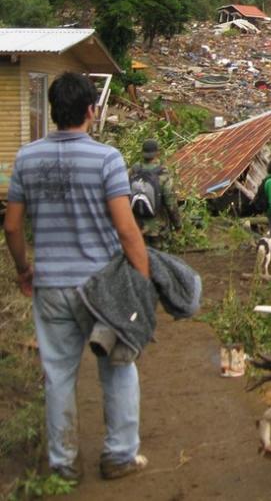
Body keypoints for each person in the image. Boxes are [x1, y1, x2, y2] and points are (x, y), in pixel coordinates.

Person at [3, 73, 150, 481]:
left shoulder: (27, 158)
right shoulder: (106, 158)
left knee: (58, 376)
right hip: (101, 287)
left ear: (53, 111)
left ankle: (64, 465)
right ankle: (119, 455)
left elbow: (13, 227)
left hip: (51, 285)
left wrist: (23, 269)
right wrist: (141, 280)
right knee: (119, 367)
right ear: (91, 110)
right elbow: (125, 229)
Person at [129, 138, 181, 248]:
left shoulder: (133, 170)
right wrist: (177, 224)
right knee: (158, 260)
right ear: (157, 153)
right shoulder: (163, 172)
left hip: (137, 227)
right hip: (157, 228)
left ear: (142, 152)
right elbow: (170, 202)